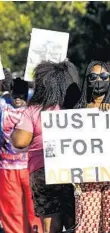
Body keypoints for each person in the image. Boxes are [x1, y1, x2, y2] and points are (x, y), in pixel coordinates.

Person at [11, 61, 81, 233]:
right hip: (73, 169)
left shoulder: (34, 111)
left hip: (42, 171)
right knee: (76, 220)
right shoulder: (75, 109)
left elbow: (20, 141)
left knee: (50, 223)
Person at [0, 77, 42, 233]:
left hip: (32, 167)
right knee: (11, 211)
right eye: (15, 94)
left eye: (22, 94)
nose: (18, 98)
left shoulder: (37, 105)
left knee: (35, 211)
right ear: (10, 93)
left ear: (27, 93)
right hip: (7, 168)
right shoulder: (4, 107)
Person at [74, 61, 110, 233]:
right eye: (93, 77)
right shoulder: (77, 111)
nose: (98, 81)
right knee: (87, 225)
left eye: (103, 77)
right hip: (88, 178)